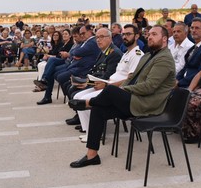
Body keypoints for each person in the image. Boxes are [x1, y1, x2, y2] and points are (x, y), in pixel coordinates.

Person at [68, 25, 175, 168]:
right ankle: (92, 155)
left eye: (154, 34)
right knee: (98, 110)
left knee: (111, 90)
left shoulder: (164, 59)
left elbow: (149, 87)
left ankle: (88, 103)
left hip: (147, 104)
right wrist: (123, 89)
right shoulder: (149, 55)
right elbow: (132, 77)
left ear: (164, 39)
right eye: (148, 34)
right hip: (136, 99)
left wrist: (123, 89)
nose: (149, 37)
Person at [72, 24, 144, 143]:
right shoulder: (126, 53)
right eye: (123, 34)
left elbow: (131, 79)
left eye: (128, 34)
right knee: (77, 96)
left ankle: (94, 134)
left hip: (117, 90)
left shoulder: (136, 54)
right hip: (108, 84)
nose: (125, 37)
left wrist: (105, 85)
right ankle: (89, 131)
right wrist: (90, 82)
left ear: (136, 36)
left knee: (84, 100)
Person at [65, 27, 123, 126]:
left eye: (101, 37)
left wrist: (87, 83)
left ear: (110, 38)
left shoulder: (114, 53)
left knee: (76, 93)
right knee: (70, 86)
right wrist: (84, 81)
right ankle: (81, 117)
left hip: (105, 86)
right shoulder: (104, 51)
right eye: (97, 37)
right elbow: (95, 70)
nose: (98, 40)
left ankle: (86, 121)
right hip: (96, 81)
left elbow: (107, 77)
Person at [36, 25, 100, 105]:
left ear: (90, 32)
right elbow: (76, 53)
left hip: (79, 68)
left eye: (82, 34)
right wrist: (72, 55)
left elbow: (77, 52)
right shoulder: (83, 42)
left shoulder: (89, 42)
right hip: (73, 64)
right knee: (52, 71)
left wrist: (70, 54)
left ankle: (47, 86)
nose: (81, 36)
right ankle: (47, 92)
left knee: (57, 73)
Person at [176, 18, 201, 88]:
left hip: (191, 87)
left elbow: (200, 73)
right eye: (192, 28)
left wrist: (179, 83)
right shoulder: (192, 48)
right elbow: (185, 68)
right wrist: (176, 80)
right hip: (182, 83)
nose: (193, 30)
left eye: (197, 28)